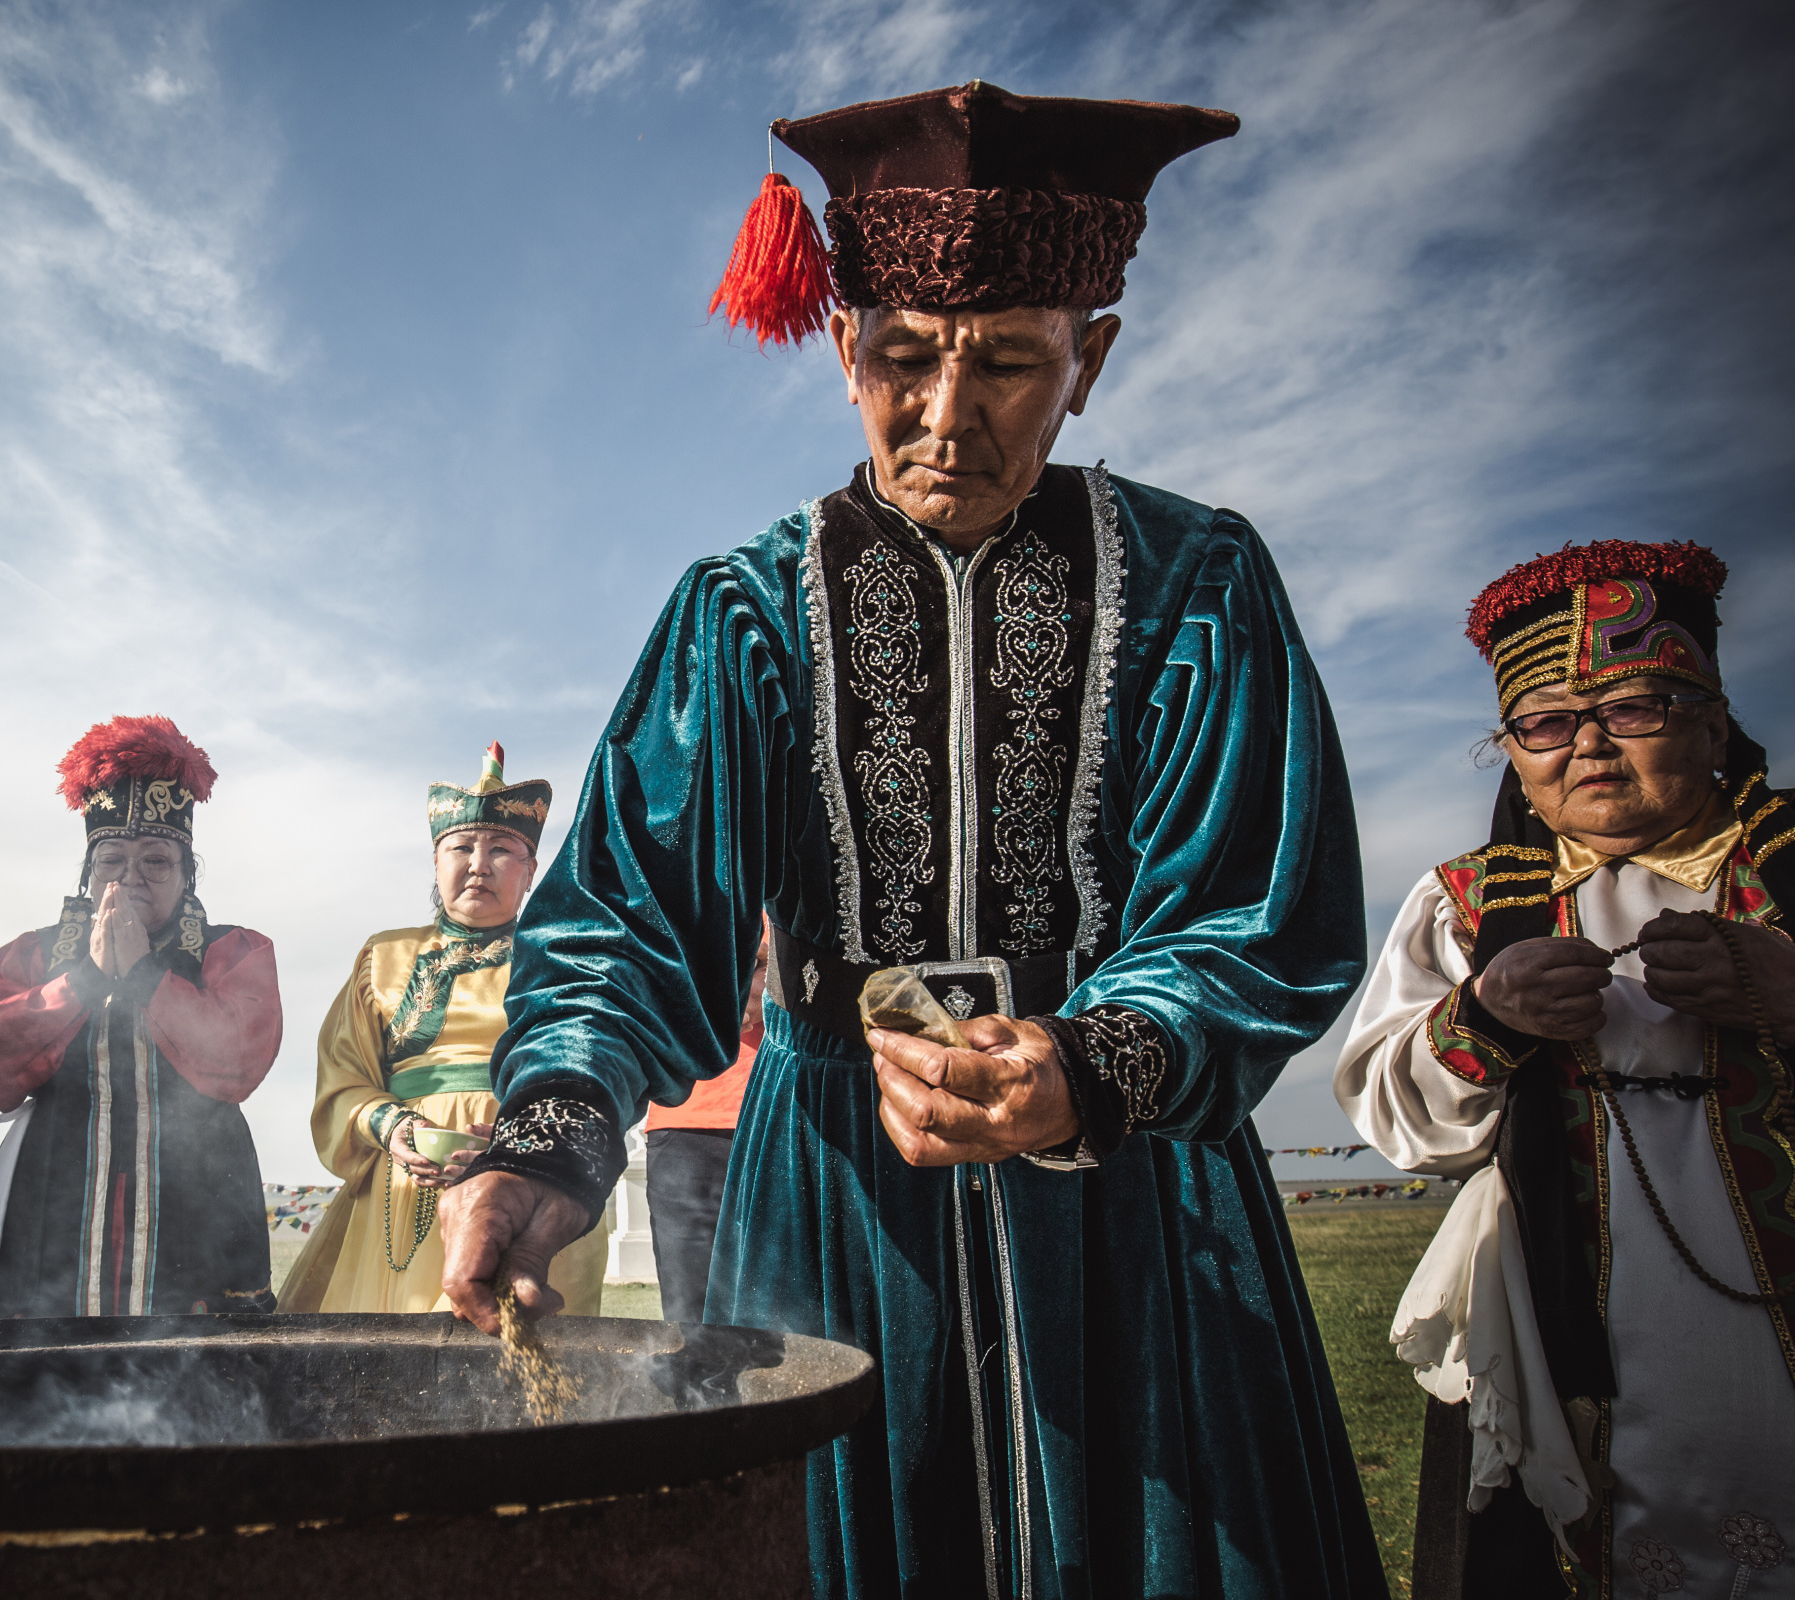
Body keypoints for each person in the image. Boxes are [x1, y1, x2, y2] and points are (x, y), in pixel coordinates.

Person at [435, 81, 1384, 1599]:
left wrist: (1093, 1065)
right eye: (901, 358)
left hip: (1125, 1192)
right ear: (838, 348)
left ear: (1089, 362)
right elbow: (627, 915)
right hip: (827, 1184)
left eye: (1008, 361)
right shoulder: (739, 607)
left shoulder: (1199, 579)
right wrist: (550, 1138)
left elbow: (1253, 903)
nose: (944, 417)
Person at [1335, 541, 1795, 1598]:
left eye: (1633, 707)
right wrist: (1485, 1017)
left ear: (1710, 711)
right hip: (1588, 1363)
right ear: (1513, 749)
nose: (1588, 746)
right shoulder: (1464, 904)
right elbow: (1391, 1111)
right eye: (1546, 723)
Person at [0, 716, 280, 1318]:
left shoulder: (233, 948)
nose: (131, 877)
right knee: (48, 1356)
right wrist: (85, 978)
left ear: (186, 874)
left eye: (156, 861)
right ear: (87, 872)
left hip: (200, 1182)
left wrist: (148, 977)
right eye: (111, 861)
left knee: (195, 1365)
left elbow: (239, 1059)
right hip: (56, 1175)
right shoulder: (41, 952)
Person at [280, 745, 608, 1315]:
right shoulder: (382, 956)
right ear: (435, 862)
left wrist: (521, 1139)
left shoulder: (564, 959)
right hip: (407, 1184)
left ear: (531, 871)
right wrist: (390, 1125)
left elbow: (592, 1065)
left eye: (502, 849)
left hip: (529, 1170)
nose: (479, 864)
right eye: (460, 847)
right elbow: (342, 1078)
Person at [643, 926, 765, 1324]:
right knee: (690, 1320)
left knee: (796, 1316)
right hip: (688, 1120)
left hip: (799, 1115)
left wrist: (780, 978)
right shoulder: (684, 879)